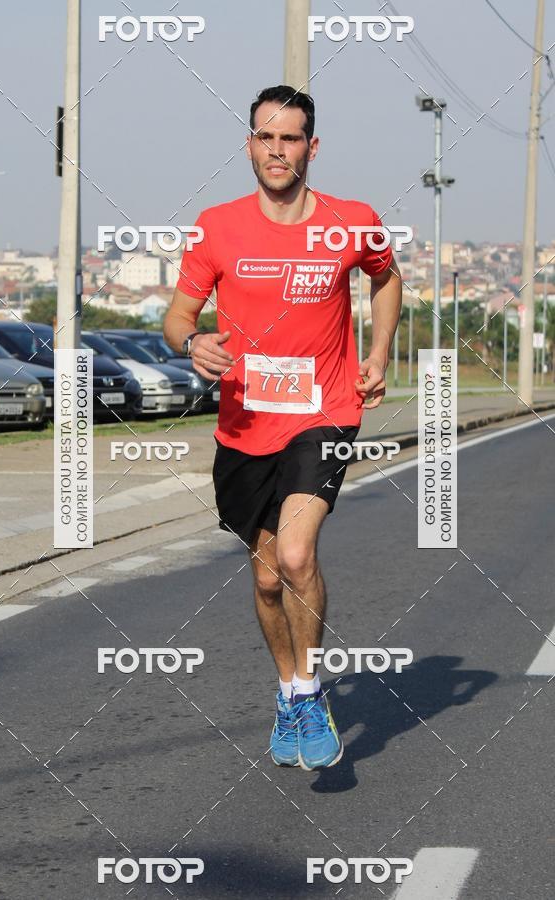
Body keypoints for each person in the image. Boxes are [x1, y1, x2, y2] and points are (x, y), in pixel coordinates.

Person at [163, 85, 402, 770]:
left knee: (296, 557)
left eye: (290, 138)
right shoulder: (217, 226)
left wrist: (378, 352)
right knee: (268, 578)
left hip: (324, 410)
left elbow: (388, 280)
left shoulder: (350, 222)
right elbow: (177, 317)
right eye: (265, 138)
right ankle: (288, 690)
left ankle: (309, 690)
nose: (277, 150)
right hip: (244, 422)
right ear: (249, 146)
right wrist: (191, 343)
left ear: (311, 148)